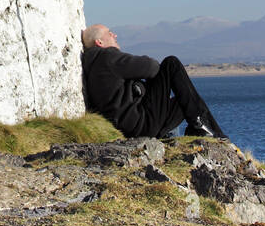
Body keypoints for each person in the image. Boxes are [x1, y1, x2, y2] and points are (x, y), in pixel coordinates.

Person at [81, 24, 229, 140]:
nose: (114, 35)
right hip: (140, 125)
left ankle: (197, 129)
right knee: (171, 64)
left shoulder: (95, 63)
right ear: (99, 42)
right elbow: (151, 67)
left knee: (184, 101)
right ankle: (204, 128)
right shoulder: (108, 57)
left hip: (130, 126)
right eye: (109, 33)